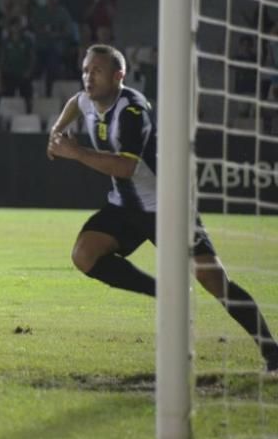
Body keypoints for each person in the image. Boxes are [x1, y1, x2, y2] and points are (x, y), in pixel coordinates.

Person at [48, 45, 278, 373]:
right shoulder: (87, 100)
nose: (88, 77)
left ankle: (273, 353)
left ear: (119, 76)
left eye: (96, 71)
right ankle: (167, 294)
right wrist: (56, 130)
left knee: (213, 280)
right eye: (85, 70)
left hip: (167, 206)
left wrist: (75, 152)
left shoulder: (133, 111)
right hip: (125, 207)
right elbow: (74, 103)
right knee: (84, 254)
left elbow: (126, 168)